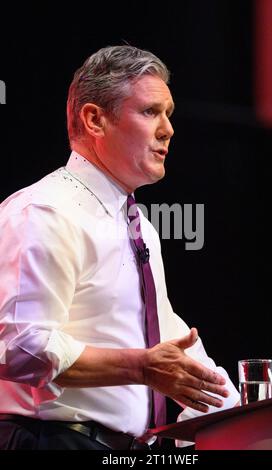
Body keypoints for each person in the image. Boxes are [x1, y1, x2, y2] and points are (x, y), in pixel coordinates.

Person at [0, 45, 239, 450]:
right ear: (95, 119)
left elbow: (164, 334)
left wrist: (241, 415)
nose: (168, 129)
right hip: (54, 441)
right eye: (150, 112)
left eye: (169, 114)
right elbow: (22, 345)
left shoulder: (137, 225)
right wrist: (141, 368)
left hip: (121, 448)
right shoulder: (45, 210)